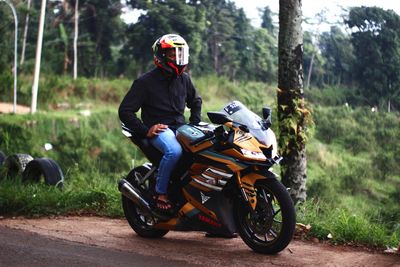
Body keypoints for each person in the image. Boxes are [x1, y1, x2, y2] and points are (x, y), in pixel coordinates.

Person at [118, 34, 202, 213]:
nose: (177, 58)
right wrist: (146, 129)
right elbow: (125, 111)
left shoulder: (184, 79)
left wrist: (195, 123)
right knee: (174, 151)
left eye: (180, 54)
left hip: (181, 127)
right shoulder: (145, 82)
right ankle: (160, 193)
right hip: (160, 130)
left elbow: (195, 101)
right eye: (173, 54)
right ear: (161, 56)